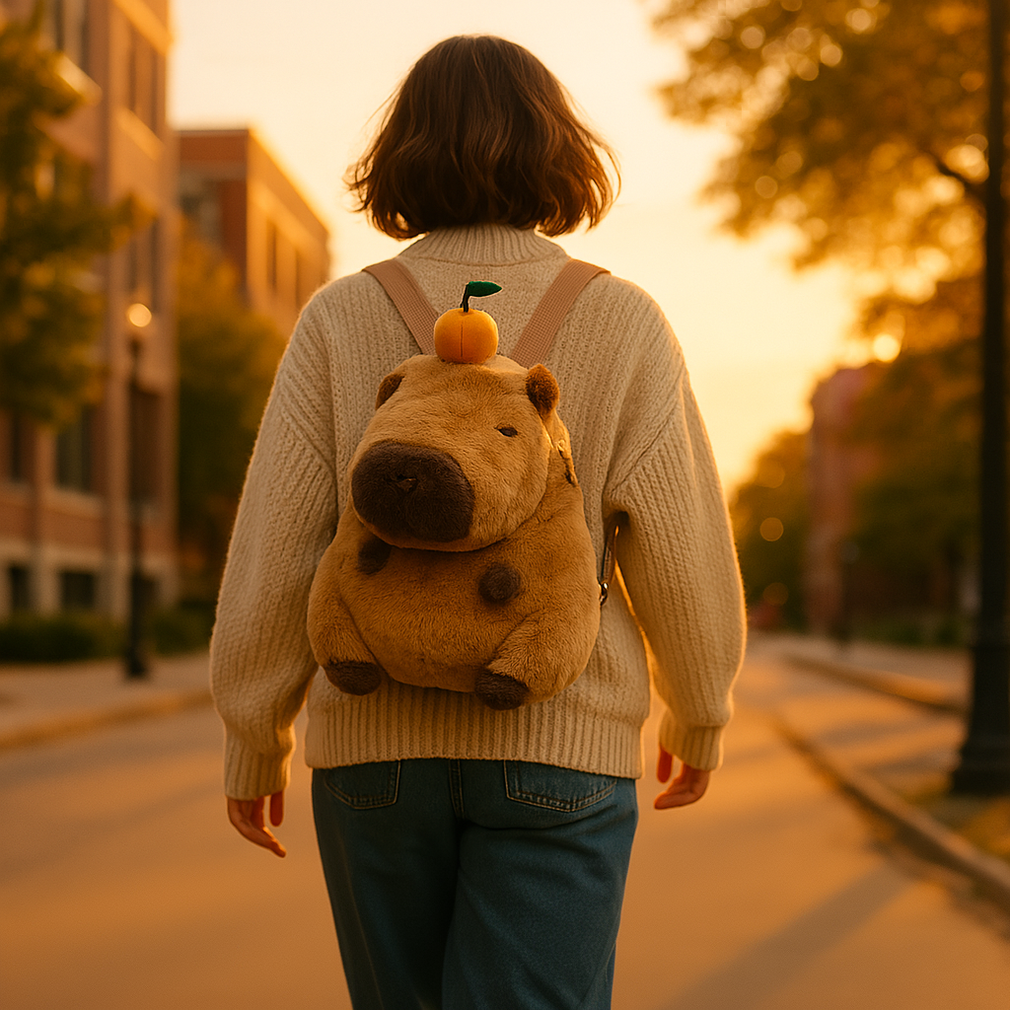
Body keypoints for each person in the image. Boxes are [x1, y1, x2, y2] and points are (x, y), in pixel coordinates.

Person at [211, 34, 745, 1010]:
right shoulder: (623, 319)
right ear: (560, 152)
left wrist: (255, 728)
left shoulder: (338, 317)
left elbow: (278, 541)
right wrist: (697, 707)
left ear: (401, 151)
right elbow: (677, 538)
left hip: (372, 755)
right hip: (558, 741)